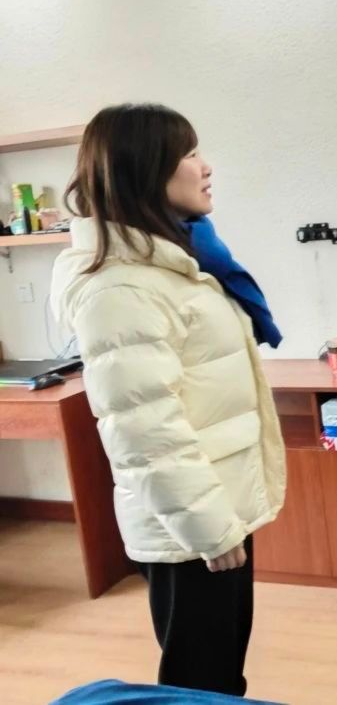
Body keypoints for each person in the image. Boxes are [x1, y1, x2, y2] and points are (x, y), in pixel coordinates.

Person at [51, 104, 287, 697]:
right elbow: (144, 431)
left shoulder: (178, 261)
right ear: (145, 170)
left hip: (213, 504)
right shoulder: (120, 287)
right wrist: (209, 529)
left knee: (219, 677)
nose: (206, 168)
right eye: (189, 155)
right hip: (191, 525)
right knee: (197, 683)